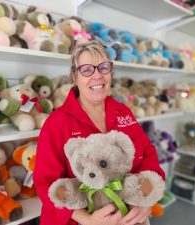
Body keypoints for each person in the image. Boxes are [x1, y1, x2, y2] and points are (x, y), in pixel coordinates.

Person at [33, 40, 165, 225]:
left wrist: (145, 199)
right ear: (74, 77)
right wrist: (86, 219)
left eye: (103, 67)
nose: (97, 76)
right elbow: (46, 183)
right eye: (87, 70)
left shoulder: (123, 112)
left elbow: (147, 154)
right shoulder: (57, 122)